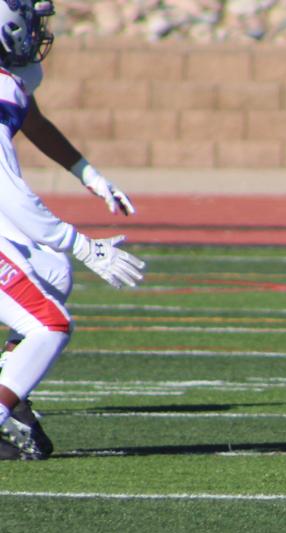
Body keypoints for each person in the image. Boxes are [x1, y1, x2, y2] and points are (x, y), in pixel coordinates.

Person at [0, 0, 145, 461]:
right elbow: (15, 201)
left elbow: (33, 121)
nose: (36, 32)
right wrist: (87, 247)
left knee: (51, 270)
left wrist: (88, 173)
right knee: (51, 326)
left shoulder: (9, 88)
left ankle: (10, 384)